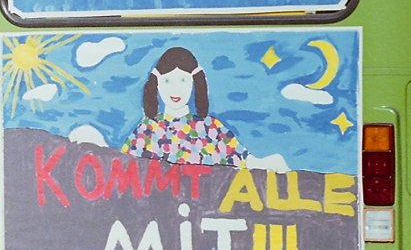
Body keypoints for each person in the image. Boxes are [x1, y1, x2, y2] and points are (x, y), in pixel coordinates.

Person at [121, 46, 287, 171]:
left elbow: (245, 163)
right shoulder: (146, 131)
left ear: (194, 83)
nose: (176, 89)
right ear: (157, 85)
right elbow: (122, 170)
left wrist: (272, 163)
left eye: (183, 81)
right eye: (167, 82)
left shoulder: (211, 128)